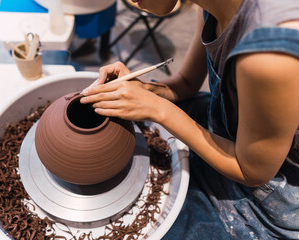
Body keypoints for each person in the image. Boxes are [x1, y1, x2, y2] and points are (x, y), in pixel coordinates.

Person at [80, 0, 299, 239]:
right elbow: (186, 83)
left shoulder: (269, 53)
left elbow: (252, 172)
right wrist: (146, 90)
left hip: (268, 194)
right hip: (228, 130)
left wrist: (158, 109)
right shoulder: (211, 4)